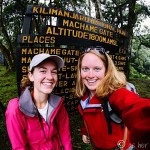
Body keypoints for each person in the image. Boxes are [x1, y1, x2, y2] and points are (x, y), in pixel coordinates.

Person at [75, 46, 150, 150]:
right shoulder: (85, 97)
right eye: (85, 69)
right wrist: (85, 132)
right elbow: (88, 118)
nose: (90, 75)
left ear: (107, 70)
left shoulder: (115, 94)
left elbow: (136, 108)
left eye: (97, 69)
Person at [5, 53, 72, 150]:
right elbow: (19, 147)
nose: (50, 77)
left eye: (54, 72)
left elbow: (65, 138)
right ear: (31, 76)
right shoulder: (16, 109)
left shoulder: (58, 105)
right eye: (43, 71)